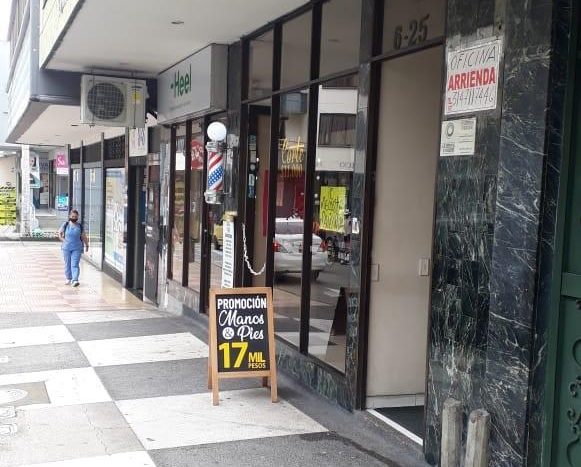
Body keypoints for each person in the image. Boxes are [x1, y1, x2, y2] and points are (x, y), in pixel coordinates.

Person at [58, 209, 89, 287]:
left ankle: (75, 280)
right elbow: (59, 233)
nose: (74, 218)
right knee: (67, 263)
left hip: (77, 248)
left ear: (78, 217)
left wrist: (87, 245)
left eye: (75, 216)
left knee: (75, 264)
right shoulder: (65, 225)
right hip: (66, 248)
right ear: (69, 216)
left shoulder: (80, 226)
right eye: (72, 216)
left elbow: (84, 236)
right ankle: (68, 278)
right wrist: (63, 240)